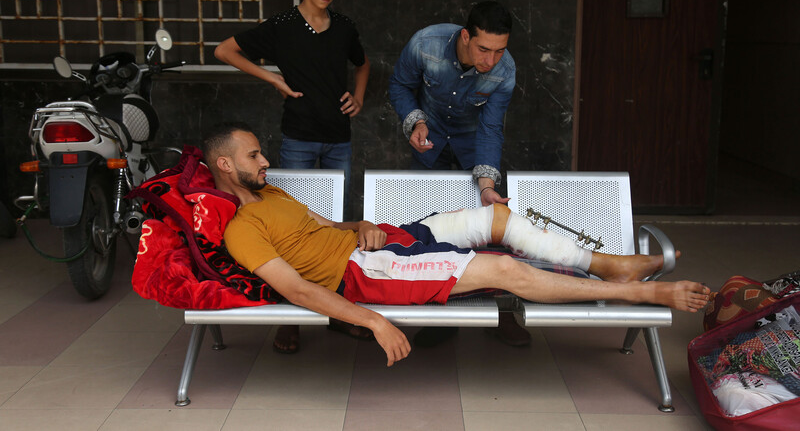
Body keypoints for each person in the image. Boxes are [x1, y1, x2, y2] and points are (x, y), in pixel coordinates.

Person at [202, 123, 711, 367]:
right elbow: (297, 290)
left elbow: (330, 223)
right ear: (226, 165)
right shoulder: (241, 230)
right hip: (367, 273)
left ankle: (609, 265)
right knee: (502, 270)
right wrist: (375, 320)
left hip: (384, 242)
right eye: (254, 154)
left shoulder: (272, 193)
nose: (265, 159)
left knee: (496, 219)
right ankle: (639, 295)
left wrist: (361, 225)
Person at [214, 0, 370, 353]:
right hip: (299, 135)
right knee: (291, 225)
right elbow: (224, 50)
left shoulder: (344, 26)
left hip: (339, 137)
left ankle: (338, 312)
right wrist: (273, 79)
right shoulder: (282, 25)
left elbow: (363, 62)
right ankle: (291, 318)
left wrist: (359, 96)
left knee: (332, 226)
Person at [389, 1, 520, 346]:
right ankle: (438, 314)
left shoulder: (504, 70)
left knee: (487, 227)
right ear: (465, 36)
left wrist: (487, 186)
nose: (490, 60)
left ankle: (502, 310)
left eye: (499, 50)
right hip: (427, 139)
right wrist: (414, 122)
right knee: (430, 227)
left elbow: (491, 128)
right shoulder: (425, 44)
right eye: (483, 49)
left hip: (471, 145)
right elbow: (399, 86)